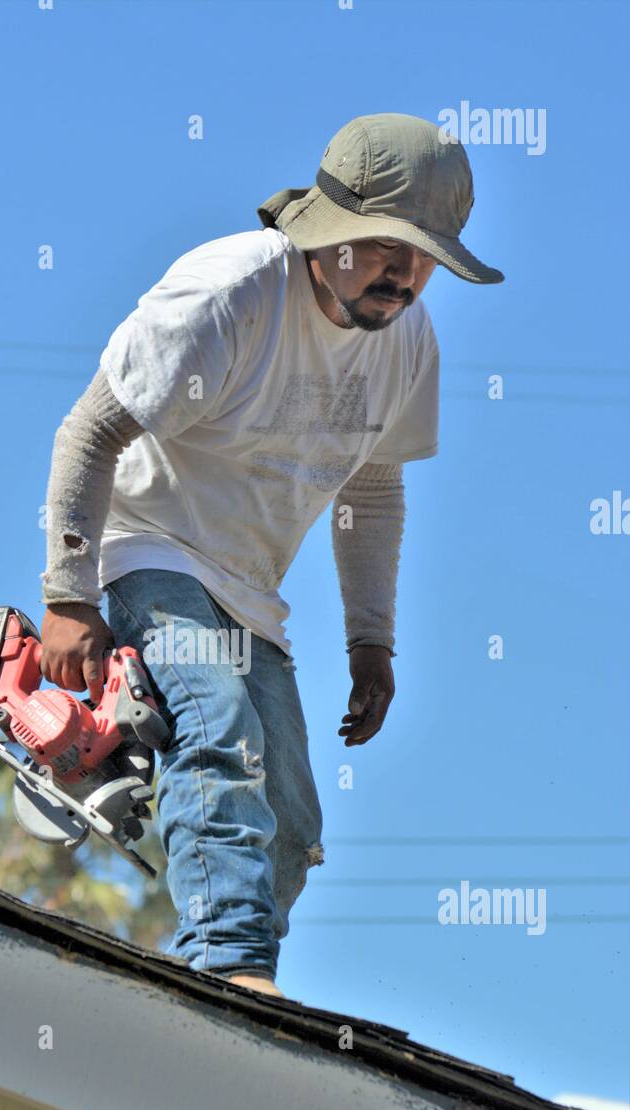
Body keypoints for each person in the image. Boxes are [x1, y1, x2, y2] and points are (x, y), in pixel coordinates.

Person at [38, 113, 503, 998]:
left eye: (424, 260)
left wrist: (372, 640)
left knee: (290, 820)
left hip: (249, 589)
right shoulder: (229, 295)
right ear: (329, 234)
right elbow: (90, 432)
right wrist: (68, 596)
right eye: (383, 251)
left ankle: (218, 977)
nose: (404, 280)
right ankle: (229, 964)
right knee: (220, 739)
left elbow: (370, 492)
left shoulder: (409, 346)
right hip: (147, 547)